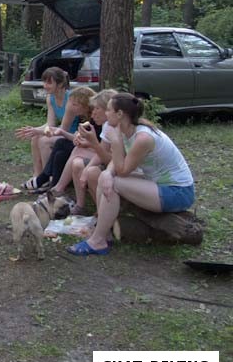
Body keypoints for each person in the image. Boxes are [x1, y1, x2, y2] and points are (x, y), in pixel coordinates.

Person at [68, 93, 195, 256]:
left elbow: (123, 169)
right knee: (105, 178)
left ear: (120, 114)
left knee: (113, 183)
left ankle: (98, 241)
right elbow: (119, 161)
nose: (106, 114)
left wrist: (114, 145)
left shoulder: (142, 137)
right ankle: (103, 231)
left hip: (177, 192)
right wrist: (107, 172)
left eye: (108, 110)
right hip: (157, 184)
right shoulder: (125, 130)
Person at [49, 89, 117, 215]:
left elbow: (108, 157)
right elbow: (102, 150)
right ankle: (80, 205)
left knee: (76, 153)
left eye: (97, 109)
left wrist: (91, 143)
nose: (93, 114)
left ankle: (58, 187)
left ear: (108, 110)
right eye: (93, 109)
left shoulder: (113, 126)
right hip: (105, 159)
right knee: (76, 163)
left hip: (118, 167)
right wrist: (86, 142)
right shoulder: (106, 125)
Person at [22, 86, 96, 194]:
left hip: (92, 151)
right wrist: (63, 133)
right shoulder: (84, 117)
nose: (72, 108)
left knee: (61, 144)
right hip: (83, 146)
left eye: (75, 105)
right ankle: (53, 186)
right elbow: (77, 137)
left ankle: (45, 179)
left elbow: (94, 143)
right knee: (60, 152)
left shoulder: (94, 119)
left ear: (85, 106)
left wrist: (76, 138)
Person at [15, 67, 79, 186]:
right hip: (59, 131)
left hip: (71, 135)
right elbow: (50, 124)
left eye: (49, 82)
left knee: (44, 141)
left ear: (60, 84)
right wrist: (33, 130)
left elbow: (62, 129)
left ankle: (49, 178)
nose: (45, 85)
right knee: (35, 138)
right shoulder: (51, 98)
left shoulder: (70, 100)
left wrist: (38, 131)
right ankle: (37, 175)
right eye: (44, 81)